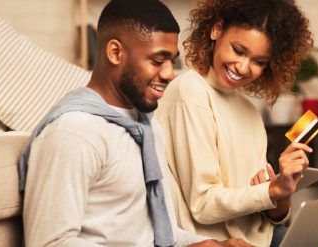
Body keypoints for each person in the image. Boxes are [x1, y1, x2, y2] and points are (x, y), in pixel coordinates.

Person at [18, 0, 252, 246]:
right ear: (115, 53)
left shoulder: (147, 127)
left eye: (171, 61)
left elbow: (162, 235)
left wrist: (206, 244)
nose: (169, 74)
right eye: (157, 60)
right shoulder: (74, 133)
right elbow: (49, 243)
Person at [155, 0, 318, 246]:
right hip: (218, 242)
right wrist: (271, 191)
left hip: (264, 237)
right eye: (239, 50)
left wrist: (282, 191)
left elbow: (271, 217)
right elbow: (203, 205)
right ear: (216, 29)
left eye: (259, 61)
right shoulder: (191, 91)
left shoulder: (249, 111)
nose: (243, 67)